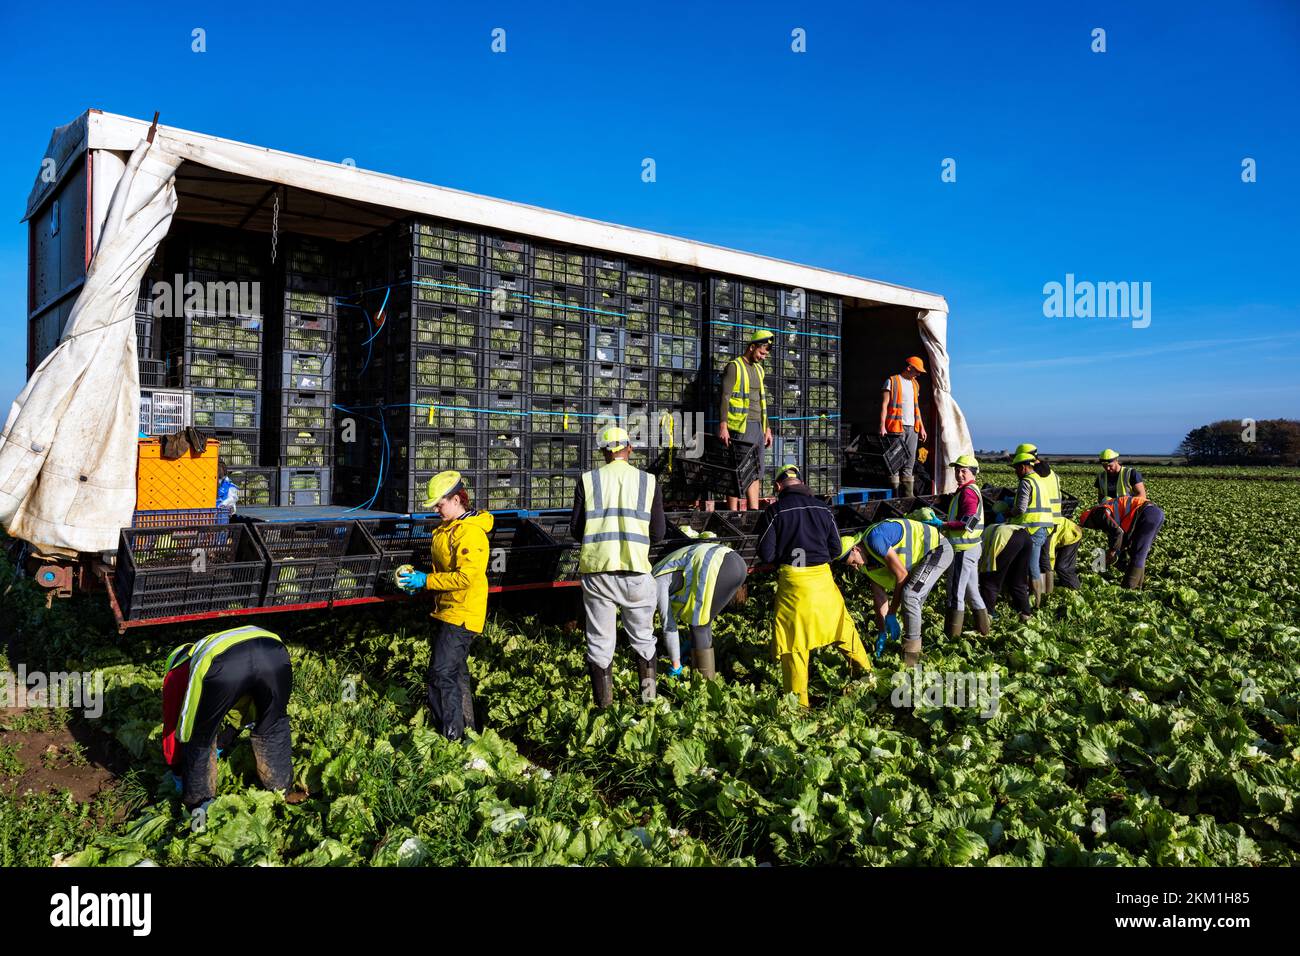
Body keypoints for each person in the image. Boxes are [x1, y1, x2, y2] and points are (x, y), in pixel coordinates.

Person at [755, 464, 869, 707]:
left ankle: (799, 708)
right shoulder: (823, 509)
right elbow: (837, 549)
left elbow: (766, 553)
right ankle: (868, 679)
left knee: (795, 644)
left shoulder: (774, 512)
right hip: (823, 582)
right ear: (801, 482)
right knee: (843, 630)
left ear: (778, 487)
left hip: (794, 586)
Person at [570, 425, 667, 707]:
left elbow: (577, 529)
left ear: (603, 452)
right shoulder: (649, 482)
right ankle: (649, 702)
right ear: (629, 449)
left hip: (598, 571)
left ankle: (605, 710)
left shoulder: (588, 481)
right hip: (636, 570)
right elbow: (658, 533)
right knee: (644, 640)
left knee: (600, 644)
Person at [396, 471, 495, 740]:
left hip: (462, 613)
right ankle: (467, 733)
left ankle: (451, 738)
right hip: (448, 609)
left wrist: (426, 580)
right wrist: (423, 582)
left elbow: (465, 577)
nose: (437, 509)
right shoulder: (450, 527)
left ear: (455, 499)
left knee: (441, 674)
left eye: (439, 504)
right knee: (456, 673)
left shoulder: (471, 534)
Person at [161, 625, 293, 811]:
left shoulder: (176, 673)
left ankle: (200, 808)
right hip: (274, 650)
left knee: (199, 736)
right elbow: (239, 707)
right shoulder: (206, 645)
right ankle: (281, 793)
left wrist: (177, 770)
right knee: (273, 722)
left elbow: (175, 727)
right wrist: (223, 742)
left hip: (222, 662)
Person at [842, 515, 954, 666]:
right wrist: (882, 631)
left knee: (910, 596)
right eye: (851, 566)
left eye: (853, 562)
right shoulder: (864, 562)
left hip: (937, 549)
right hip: (922, 558)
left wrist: (892, 613)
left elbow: (902, 575)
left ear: (856, 549)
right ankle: (913, 651)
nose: (855, 567)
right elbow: (879, 597)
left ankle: (911, 660)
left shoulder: (875, 540)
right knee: (912, 600)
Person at [652, 535, 749, 679]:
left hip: (717, 564)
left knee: (699, 625)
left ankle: (704, 686)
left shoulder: (654, 583)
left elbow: (668, 624)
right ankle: (706, 676)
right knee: (703, 622)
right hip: (737, 562)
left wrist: (675, 664)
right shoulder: (660, 569)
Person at [718, 328, 775, 511]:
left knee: (756, 471)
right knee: (738, 468)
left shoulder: (759, 369)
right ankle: (733, 512)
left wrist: (767, 428)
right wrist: (723, 425)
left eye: (765, 354)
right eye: (761, 352)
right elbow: (725, 397)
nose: (763, 356)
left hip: (757, 426)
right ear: (752, 347)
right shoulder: (734, 367)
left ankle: (753, 511)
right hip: (741, 427)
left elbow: (762, 401)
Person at [939, 454, 988, 637]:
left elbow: (967, 522)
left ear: (972, 473)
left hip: (963, 550)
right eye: (957, 470)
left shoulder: (968, 492)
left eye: (963, 471)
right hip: (972, 548)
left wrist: (943, 525)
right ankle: (983, 631)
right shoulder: (970, 490)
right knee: (971, 591)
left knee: (955, 594)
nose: (959, 474)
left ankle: (951, 637)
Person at [1005, 448, 1061, 606]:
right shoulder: (1040, 479)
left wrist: (1008, 512)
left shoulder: (1026, 482)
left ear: (1023, 467)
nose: (1015, 472)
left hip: (1033, 528)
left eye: (1016, 468)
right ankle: (1036, 598)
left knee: (1031, 565)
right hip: (1044, 526)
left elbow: (1021, 509)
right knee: (1036, 563)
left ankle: (1035, 602)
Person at [1077, 494, 1165, 589]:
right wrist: (1117, 550)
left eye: (1087, 525)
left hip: (1148, 515)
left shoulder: (1098, 513)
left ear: (1088, 520)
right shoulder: (1104, 512)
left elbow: (1118, 532)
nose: (1090, 528)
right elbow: (1122, 534)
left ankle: (1128, 590)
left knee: (1138, 553)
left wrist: (1112, 551)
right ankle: (1137, 587)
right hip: (1153, 514)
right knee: (1138, 551)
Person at [879, 356, 928, 498]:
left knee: (910, 463)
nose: (918, 374)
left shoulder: (915, 385)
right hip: (895, 428)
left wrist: (922, 428)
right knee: (894, 463)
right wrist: (882, 426)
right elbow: (884, 405)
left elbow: (916, 408)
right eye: (917, 371)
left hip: (913, 428)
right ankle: (894, 496)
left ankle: (908, 497)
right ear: (909, 368)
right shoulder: (892, 381)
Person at [976, 525, 1034, 621]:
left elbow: (982, 566)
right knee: (1018, 581)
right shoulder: (986, 531)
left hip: (1005, 537)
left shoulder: (977, 540)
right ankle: (1026, 616)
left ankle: (987, 618)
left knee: (990, 581)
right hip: (1024, 535)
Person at [1043, 514, 1084, 589]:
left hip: (1072, 534)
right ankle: (1064, 583)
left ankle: (1074, 588)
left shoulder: (1046, 535)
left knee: (1063, 567)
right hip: (1065, 532)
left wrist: (1048, 575)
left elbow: (1049, 556)